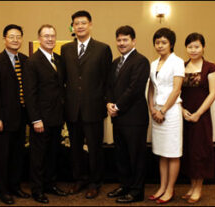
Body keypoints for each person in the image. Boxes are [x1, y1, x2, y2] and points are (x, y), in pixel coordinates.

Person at [61, 10, 112, 199]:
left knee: (95, 148)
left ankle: (95, 182)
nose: (80, 26)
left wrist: (106, 103)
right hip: (72, 109)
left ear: (90, 25)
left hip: (94, 109)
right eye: (76, 23)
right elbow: (63, 79)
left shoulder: (102, 49)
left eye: (83, 23)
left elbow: (107, 80)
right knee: (74, 148)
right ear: (72, 27)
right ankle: (79, 179)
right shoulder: (66, 49)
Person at [0, 24, 30, 205]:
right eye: (11, 36)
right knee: (3, 156)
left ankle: (15, 186)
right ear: (4, 39)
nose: (15, 40)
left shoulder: (26, 60)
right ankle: (4, 191)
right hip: (3, 118)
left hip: (21, 116)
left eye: (18, 36)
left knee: (18, 154)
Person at [23, 24, 67, 204]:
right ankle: (38, 189)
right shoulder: (32, 62)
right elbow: (29, 94)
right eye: (46, 36)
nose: (50, 39)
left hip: (57, 117)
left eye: (52, 36)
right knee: (38, 157)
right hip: (40, 119)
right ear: (39, 39)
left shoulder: (58, 59)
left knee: (52, 154)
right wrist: (36, 119)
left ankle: (50, 184)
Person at [106, 25, 150, 203]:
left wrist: (116, 106)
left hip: (134, 118)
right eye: (119, 40)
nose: (121, 43)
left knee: (136, 156)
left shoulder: (141, 61)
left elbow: (135, 89)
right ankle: (125, 185)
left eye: (125, 40)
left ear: (134, 41)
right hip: (118, 118)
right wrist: (108, 103)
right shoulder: (116, 62)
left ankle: (137, 191)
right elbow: (109, 85)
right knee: (121, 154)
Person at [147, 27, 185, 204]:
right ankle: (162, 187)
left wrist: (162, 111)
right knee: (162, 152)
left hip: (170, 112)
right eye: (157, 42)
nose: (160, 45)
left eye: (163, 42)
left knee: (172, 152)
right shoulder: (154, 63)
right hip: (156, 111)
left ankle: (170, 189)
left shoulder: (177, 61)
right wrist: (152, 109)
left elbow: (176, 89)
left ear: (171, 44)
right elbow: (152, 89)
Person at [180, 33, 215, 204]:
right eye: (190, 46)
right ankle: (191, 185)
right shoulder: (181, 65)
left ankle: (198, 188)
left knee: (199, 151)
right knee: (187, 151)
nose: (193, 50)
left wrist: (198, 113)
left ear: (203, 47)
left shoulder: (210, 67)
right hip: (184, 114)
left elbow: (213, 93)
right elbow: (175, 92)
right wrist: (181, 110)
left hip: (201, 117)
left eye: (196, 46)